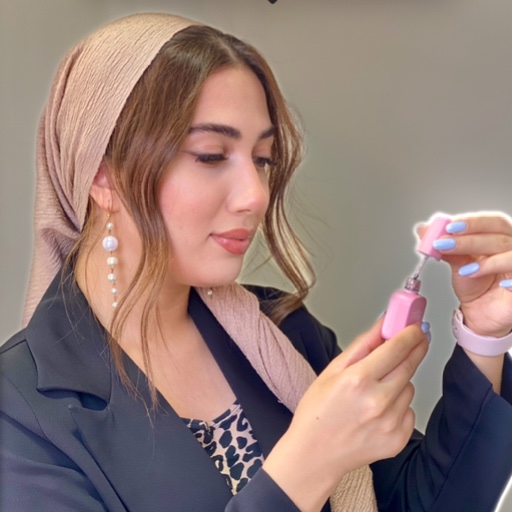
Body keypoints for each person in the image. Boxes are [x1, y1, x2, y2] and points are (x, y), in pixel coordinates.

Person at [1, 12, 511, 512]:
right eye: (210, 154)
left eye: (263, 159)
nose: (255, 195)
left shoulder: (283, 331)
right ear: (103, 175)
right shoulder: (18, 410)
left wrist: (483, 336)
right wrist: (309, 462)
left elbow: (423, 502)